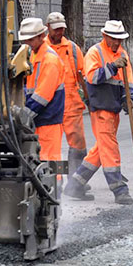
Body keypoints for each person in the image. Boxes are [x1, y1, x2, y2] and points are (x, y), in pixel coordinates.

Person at [63, 20, 133, 205]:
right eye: (114, 39)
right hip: (101, 108)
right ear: (105, 36)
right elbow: (92, 77)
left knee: (100, 149)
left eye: (120, 39)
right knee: (110, 148)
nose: (117, 43)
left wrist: (130, 98)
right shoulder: (95, 52)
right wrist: (112, 67)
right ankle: (119, 189)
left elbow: (129, 81)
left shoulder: (122, 54)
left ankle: (75, 185)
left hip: (114, 108)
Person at [45, 11, 87, 175]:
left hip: (72, 106)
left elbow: (82, 77)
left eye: (61, 28)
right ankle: (56, 180)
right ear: (48, 27)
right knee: (53, 146)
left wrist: (90, 100)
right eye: (56, 29)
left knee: (78, 145)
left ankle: (76, 181)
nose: (59, 32)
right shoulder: (42, 49)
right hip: (50, 107)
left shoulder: (73, 49)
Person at [17, 17, 65, 162]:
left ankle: (58, 184)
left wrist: (23, 117)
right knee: (40, 160)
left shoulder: (50, 60)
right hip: (40, 118)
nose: (27, 43)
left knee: (50, 160)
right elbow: (30, 88)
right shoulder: (35, 54)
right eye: (25, 40)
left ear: (41, 36)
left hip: (48, 119)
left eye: (30, 40)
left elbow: (42, 96)